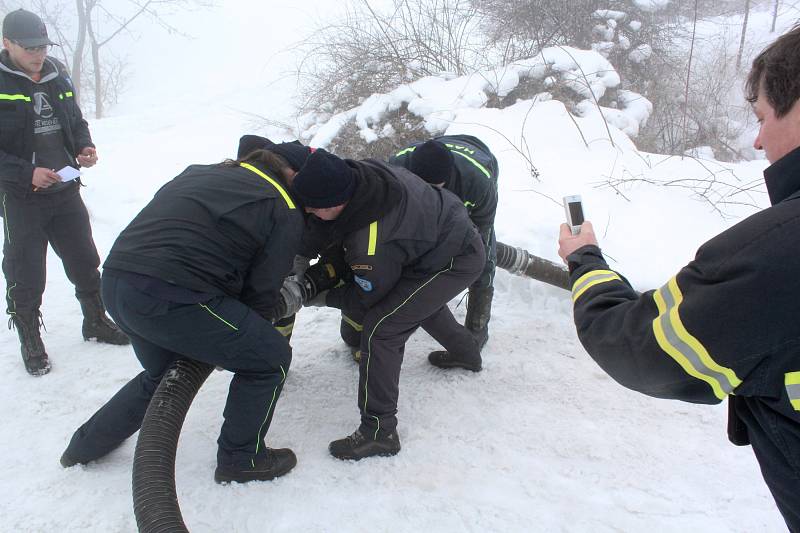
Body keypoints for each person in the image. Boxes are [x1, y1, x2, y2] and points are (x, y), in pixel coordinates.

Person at [557, 26, 800, 531]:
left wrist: (584, 260)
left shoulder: (776, 256)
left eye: (763, 118)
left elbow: (641, 349)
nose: (757, 140)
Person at [60, 149, 304, 484]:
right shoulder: (283, 205)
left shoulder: (199, 172)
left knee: (161, 376)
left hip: (119, 281)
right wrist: (239, 335)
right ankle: (242, 459)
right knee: (269, 358)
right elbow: (261, 295)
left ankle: (82, 447)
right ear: (289, 174)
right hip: (173, 293)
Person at [291, 149, 485, 460]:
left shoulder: (369, 242)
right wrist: (306, 257)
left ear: (336, 203)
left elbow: (368, 299)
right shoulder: (361, 172)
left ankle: (379, 431)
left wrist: (318, 296)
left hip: (453, 259)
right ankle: (467, 354)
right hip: (436, 236)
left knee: (383, 328)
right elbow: (332, 231)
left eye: (313, 209)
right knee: (415, 305)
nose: (309, 213)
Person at [0, 9, 128, 376]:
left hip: (66, 186)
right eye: (29, 48)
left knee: (85, 260)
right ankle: (30, 339)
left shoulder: (57, 72)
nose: (38, 54)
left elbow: (74, 118)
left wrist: (84, 146)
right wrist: (27, 173)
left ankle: (95, 321)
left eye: (42, 46)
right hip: (20, 196)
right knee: (25, 272)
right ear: (7, 44)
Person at [389, 135, 498, 370]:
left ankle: (477, 330)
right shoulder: (396, 167)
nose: (429, 195)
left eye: (434, 189)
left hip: (479, 157)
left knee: (483, 257)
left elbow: (482, 235)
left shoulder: (478, 182)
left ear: (446, 179)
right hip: (437, 152)